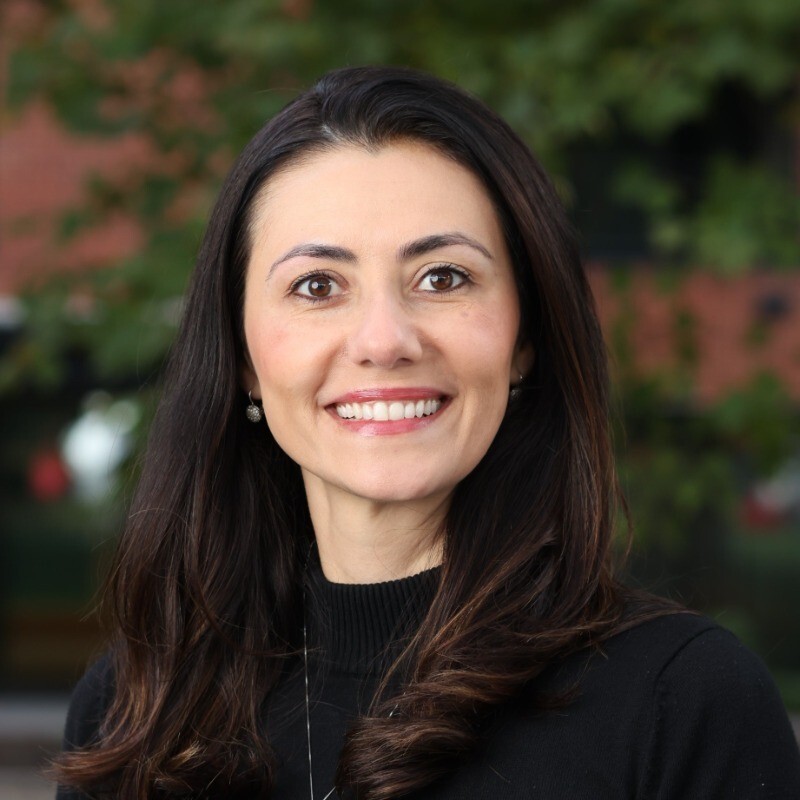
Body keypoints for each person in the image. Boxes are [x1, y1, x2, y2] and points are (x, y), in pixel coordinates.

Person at [54, 65, 800, 799]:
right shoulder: (136, 712)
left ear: (523, 340)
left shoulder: (680, 703)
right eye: (318, 286)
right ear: (244, 358)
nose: (384, 339)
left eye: (443, 277)